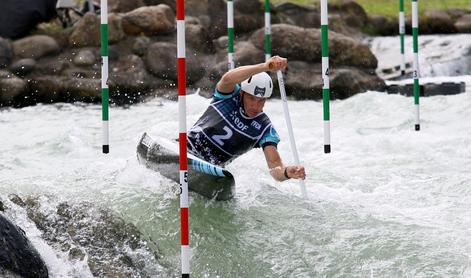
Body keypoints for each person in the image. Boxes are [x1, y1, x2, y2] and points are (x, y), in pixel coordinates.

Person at [187, 56, 306, 182]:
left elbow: (275, 166)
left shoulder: (264, 128)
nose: (255, 105)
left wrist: (287, 172)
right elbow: (227, 79)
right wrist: (265, 67)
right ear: (242, 93)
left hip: (209, 169)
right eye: (251, 98)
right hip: (185, 148)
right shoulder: (228, 97)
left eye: (261, 100)